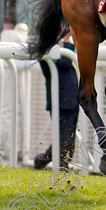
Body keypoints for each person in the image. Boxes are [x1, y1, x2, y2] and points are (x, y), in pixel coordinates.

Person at [34, 32, 79, 170]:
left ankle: (46, 161)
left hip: (67, 97)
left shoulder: (49, 47)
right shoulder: (47, 48)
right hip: (62, 98)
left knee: (66, 135)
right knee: (65, 136)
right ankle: (56, 163)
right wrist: (68, 41)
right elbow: (65, 62)